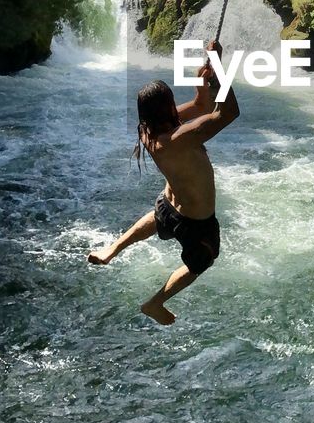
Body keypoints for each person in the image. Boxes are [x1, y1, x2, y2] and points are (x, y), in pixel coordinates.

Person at [88, 40, 239, 325]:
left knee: (158, 217)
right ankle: (155, 303)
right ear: (168, 107)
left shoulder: (147, 131)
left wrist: (201, 84)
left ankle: (113, 249)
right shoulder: (180, 139)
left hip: (169, 206)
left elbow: (200, 106)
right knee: (200, 262)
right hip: (197, 222)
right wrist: (218, 68)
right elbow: (226, 113)